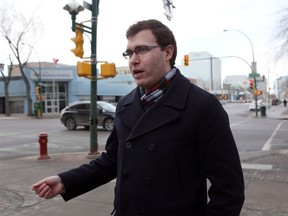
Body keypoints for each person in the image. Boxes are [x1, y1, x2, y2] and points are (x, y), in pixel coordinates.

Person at [32, 19, 245, 215]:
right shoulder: (125, 104)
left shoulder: (203, 106)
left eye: (141, 50)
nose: (133, 60)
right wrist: (65, 181)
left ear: (167, 52)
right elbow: (112, 161)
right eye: (129, 53)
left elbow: (229, 191)